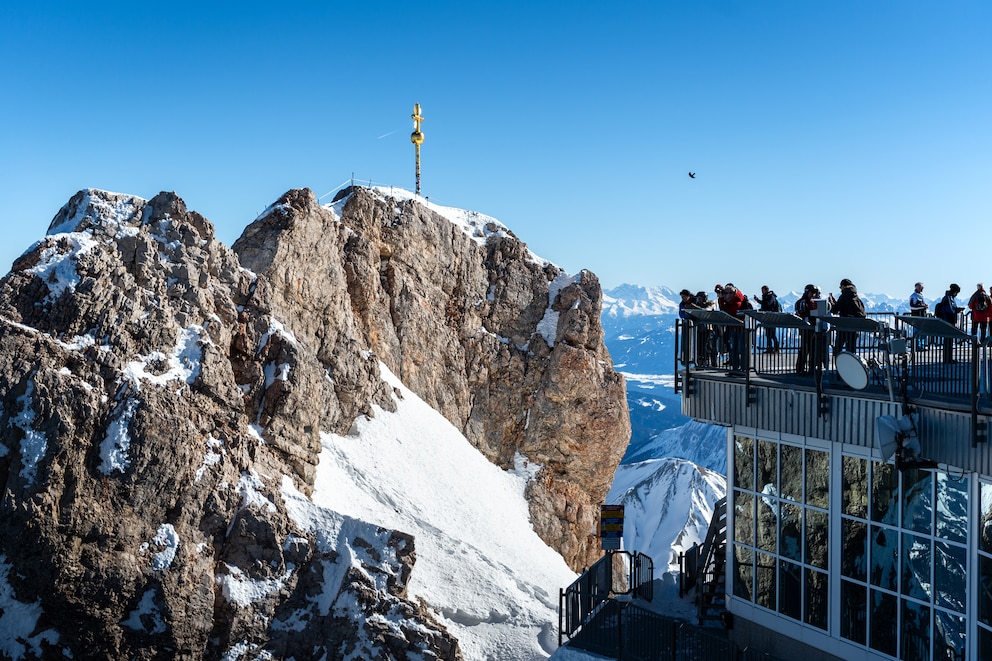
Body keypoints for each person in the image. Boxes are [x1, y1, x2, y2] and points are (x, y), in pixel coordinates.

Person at [828, 278, 866, 356]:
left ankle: (839, 366)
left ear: (843, 286)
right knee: (851, 351)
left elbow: (835, 310)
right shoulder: (855, 296)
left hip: (844, 326)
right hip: (854, 327)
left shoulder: (844, 295)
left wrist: (831, 303)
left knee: (838, 349)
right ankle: (851, 367)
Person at [718, 283, 747, 371]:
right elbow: (723, 309)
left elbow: (726, 311)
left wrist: (721, 299)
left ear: (732, 294)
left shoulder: (737, 302)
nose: (724, 296)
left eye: (726, 294)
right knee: (733, 349)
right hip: (733, 328)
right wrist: (721, 298)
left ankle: (742, 368)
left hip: (740, 329)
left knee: (740, 349)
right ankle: (735, 368)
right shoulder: (731, 302)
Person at [936, 283, 964, 363]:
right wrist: (956, 311)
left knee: (949, 340)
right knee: (948, 339)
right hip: (948, 320)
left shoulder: (949, 297)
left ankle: (948, 357)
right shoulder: (948, 298)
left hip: (949, 319)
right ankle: (947, 358)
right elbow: (949, 310)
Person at [795, 284, 818, 374]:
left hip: (812, 328)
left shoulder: (813, 301)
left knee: (813, 349)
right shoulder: (803, 302)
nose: (813, 295)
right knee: (805, 349)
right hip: (806, 328)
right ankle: (800, 368)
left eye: (815, 293)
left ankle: (811, 368)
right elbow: (802, 314)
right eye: (812, 293)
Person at [753, 285, 781, 353]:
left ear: (766, 290)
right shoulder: (767, 297)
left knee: (772, 334)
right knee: (768, 334)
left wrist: (760, 303)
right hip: (767, 318)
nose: (762, 292)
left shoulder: (771, 297)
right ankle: (770, 348)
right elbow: (765, 305)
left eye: (763, 290)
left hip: (771, 318)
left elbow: (768, 304)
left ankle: (776, 348)